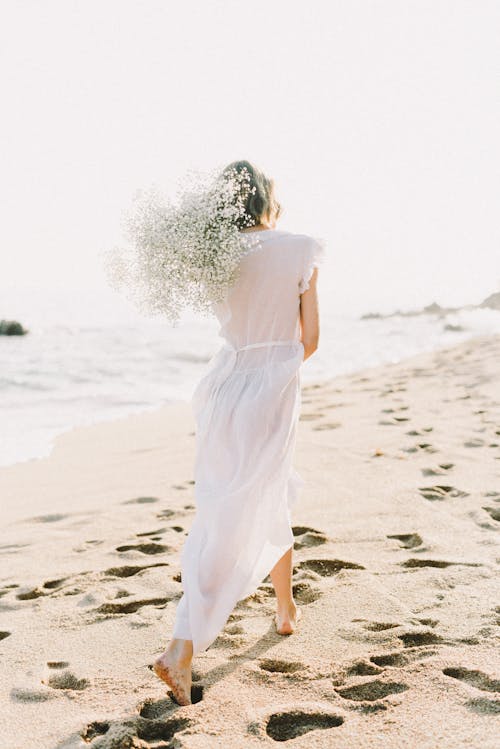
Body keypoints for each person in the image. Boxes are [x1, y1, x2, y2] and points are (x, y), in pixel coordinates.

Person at [153, 160, 324, 705]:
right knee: (239, 509)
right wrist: (278, 368)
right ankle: (183, 644)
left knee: (246, 495)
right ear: (266, 197)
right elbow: (311, 338)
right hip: (271, 388)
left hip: (224, 387)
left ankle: (284, 607)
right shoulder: (300, 248)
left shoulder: (212, 253)